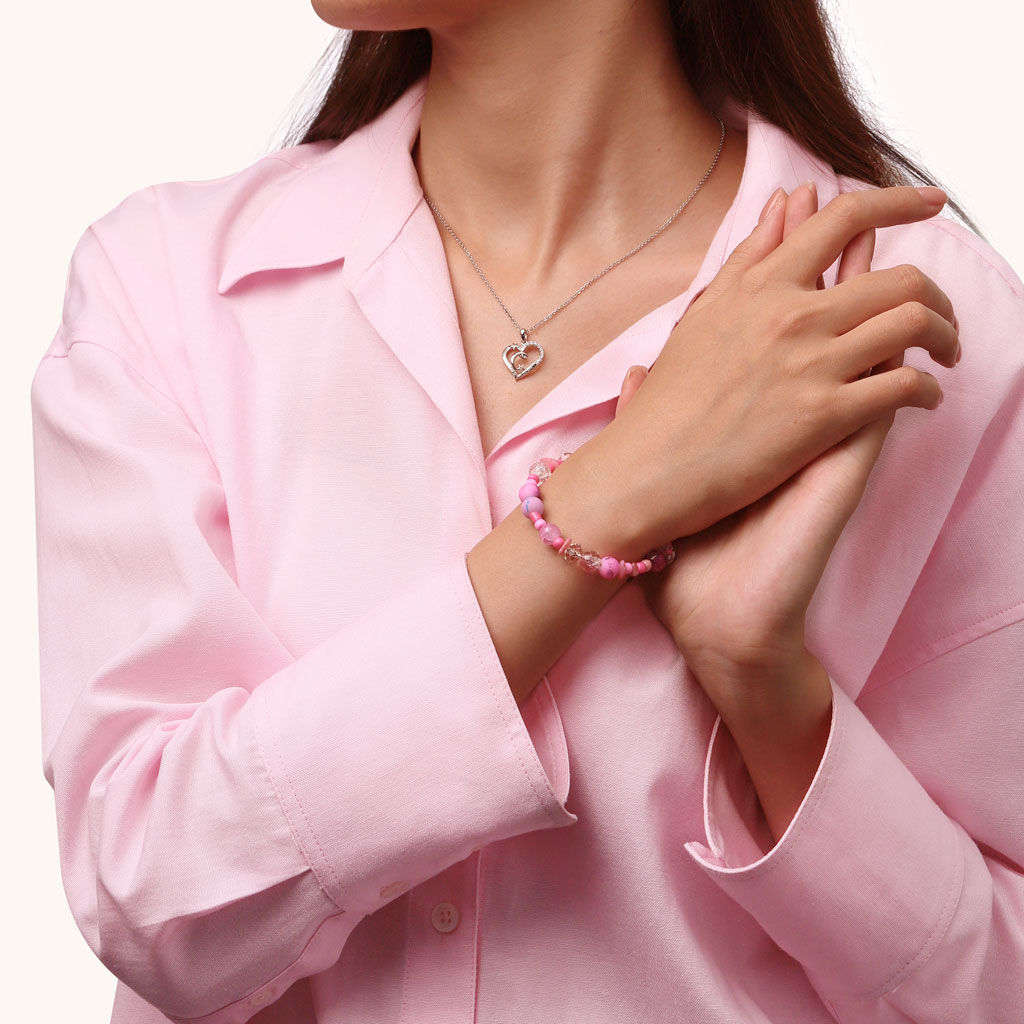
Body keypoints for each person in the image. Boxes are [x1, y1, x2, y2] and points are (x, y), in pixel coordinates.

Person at [30, 0, 1024, 1021]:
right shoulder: (167, 298)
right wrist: (595, 508)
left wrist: (768, 693)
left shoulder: (918, 328)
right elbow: (149, 896)